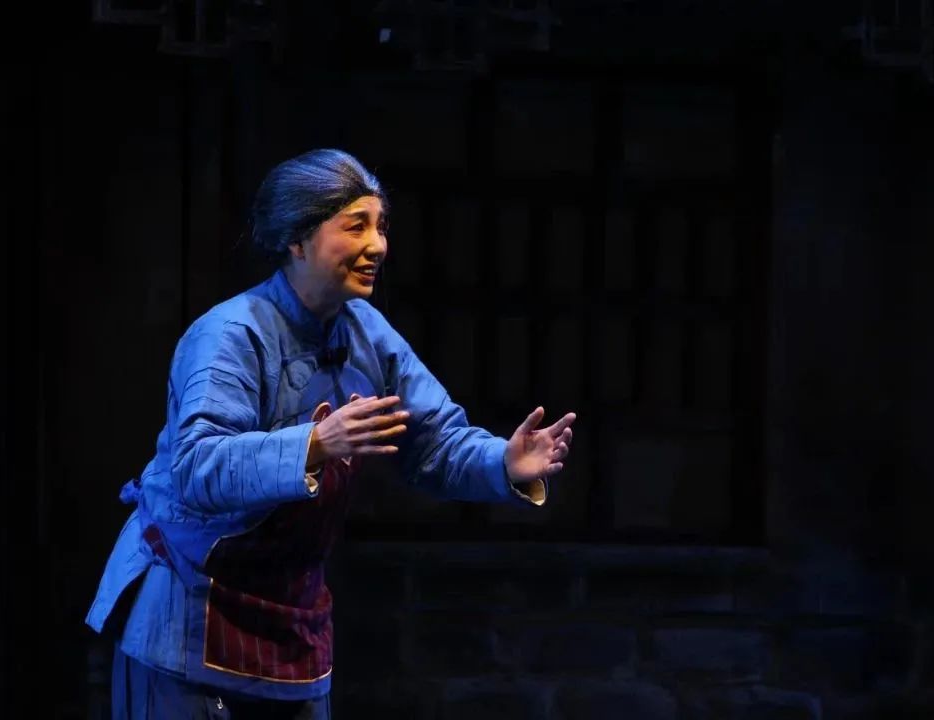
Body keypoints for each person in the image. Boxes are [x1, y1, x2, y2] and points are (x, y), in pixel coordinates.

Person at [85, 148, 577, 719]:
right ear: (298, 240)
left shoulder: (368, 334)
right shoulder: (230, 334)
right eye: (356, 226)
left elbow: (434, 439)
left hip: (291, 620)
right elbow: (199, 467)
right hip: (190, 612)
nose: (378, 245)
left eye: (381, 226)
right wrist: (316, 444)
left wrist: (502, 463)